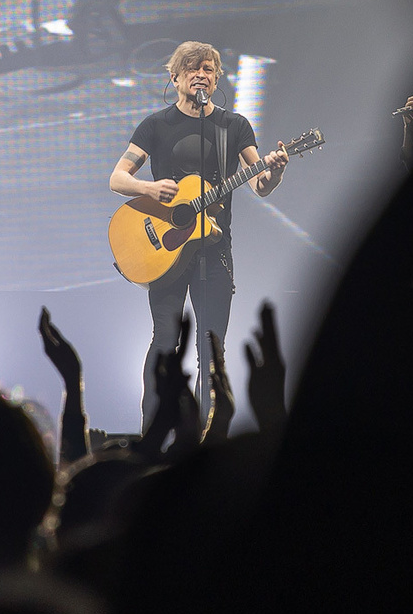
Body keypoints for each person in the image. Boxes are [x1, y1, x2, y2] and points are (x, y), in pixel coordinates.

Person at [109, 41, 289, 426]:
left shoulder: (234, 125)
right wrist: (149, 189)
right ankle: (154, 430)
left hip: (214, 250)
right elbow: (118, 178)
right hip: (165, 251)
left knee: (212, 348)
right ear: (175, 77)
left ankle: (206, 435)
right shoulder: (156, 125)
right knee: (164, 341)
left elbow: (259, 185)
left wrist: (275, 171)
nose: (200, 75)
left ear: (217, 77)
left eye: (208, 69)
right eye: (192, 69)